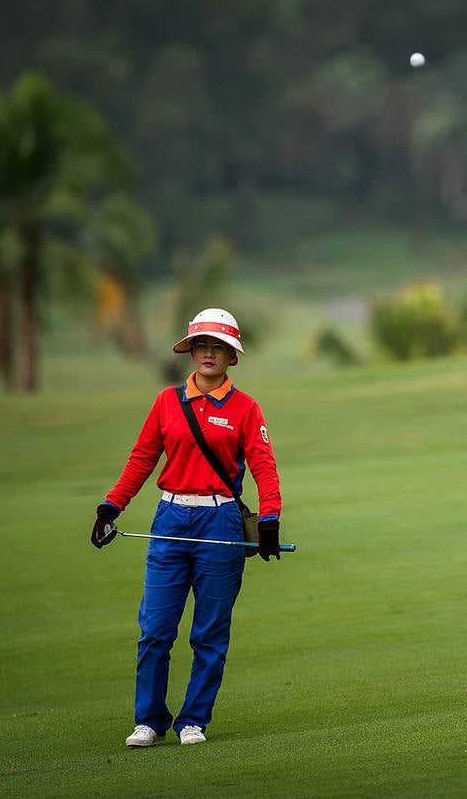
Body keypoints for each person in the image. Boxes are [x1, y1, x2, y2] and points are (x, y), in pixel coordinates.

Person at [91, 308, 284, 746]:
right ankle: (150, 720)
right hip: (170, 518)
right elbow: (142, 458)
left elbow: (264, 468)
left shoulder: (246, 408)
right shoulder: (166, 402)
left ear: (231, 356)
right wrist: (111, 507)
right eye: (202, 345)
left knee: (210, 633)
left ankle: (193, 720)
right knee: (155, 629)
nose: (209, 353)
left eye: (219, 347)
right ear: (191, 351)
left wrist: (269, 518)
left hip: (221, 521)